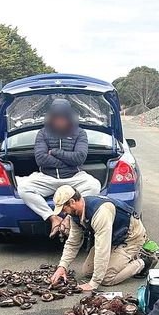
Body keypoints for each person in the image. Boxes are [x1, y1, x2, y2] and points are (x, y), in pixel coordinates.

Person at [15, 98, 101, 236]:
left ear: (68, 117)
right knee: (24, 188)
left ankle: (69, 218)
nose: (59, 121)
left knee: (94, 185)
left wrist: (55, 152)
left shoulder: (80, 133)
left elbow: (79, 158)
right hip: (47, 178)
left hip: (73, 177)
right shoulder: (43, 133)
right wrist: (69, 160)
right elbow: (41, 159)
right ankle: (53, 218)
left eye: (63, 117)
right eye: (56, 117)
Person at [48, 186, 150, 292]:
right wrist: (62, 267)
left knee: (106, 278)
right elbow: (73, 242)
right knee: (88, 271)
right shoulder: (75, 214)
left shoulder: (100, 212)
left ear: (72, 201)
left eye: (64, 209)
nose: (63, 213)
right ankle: (123, 259)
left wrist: (94, 283)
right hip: (113, 237)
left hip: (130, 238)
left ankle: (143, 262)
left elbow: (102, 249)